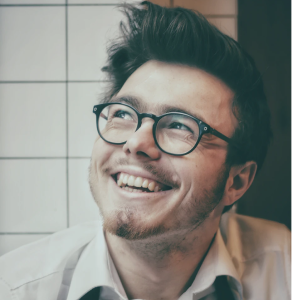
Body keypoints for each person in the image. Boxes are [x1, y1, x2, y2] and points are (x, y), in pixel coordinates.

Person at [0, 2, 291, 300]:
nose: (136, 143)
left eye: (180, 125)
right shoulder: (14, 288)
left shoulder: (284, 272)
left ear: (237, 181)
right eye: (123, 114)